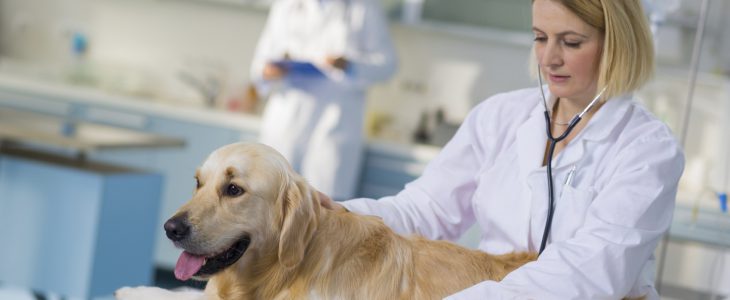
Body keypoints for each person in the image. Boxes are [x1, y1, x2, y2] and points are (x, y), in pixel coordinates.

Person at [321, 0, 685, 299]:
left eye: (571, 42)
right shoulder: (500, 117)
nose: (549, 59)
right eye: (540, 38)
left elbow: (589, 270)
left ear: (616, 44)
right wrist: (344, 215)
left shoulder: (646, 149)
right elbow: (423, 209)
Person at [250, 0, 397, 200]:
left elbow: (387, 65)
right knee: (271, 203)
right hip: (287, 119)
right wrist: (270, 70)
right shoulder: (286, 6)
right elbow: (259, 66)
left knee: (325, 211)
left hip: (335, 123)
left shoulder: (363, 8)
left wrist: (348, 65)